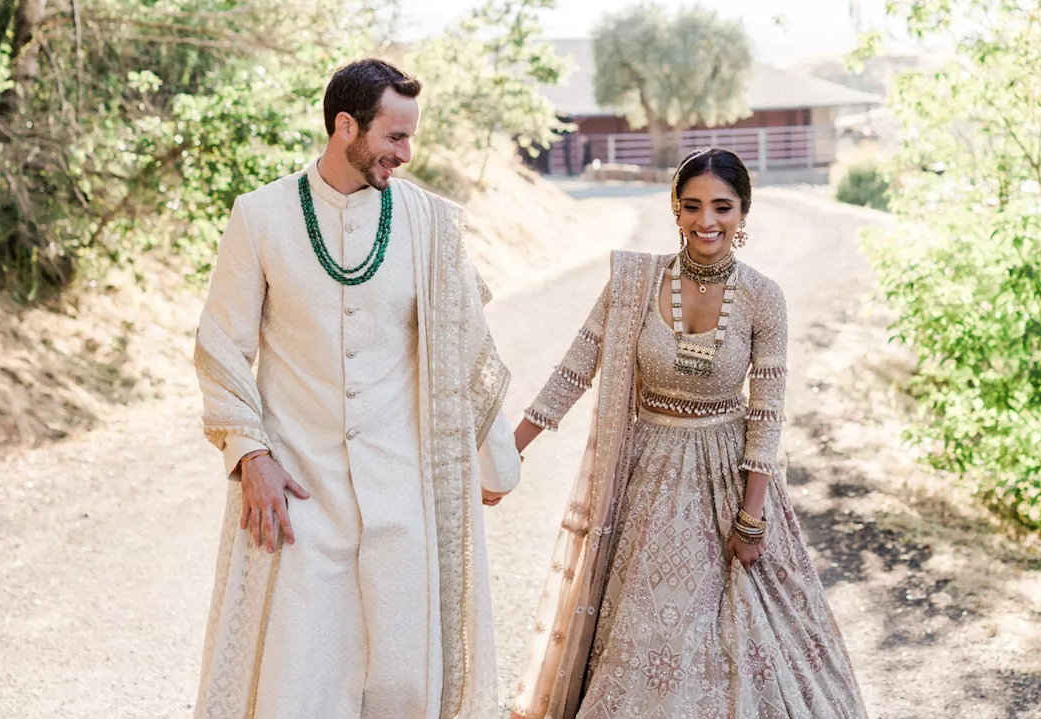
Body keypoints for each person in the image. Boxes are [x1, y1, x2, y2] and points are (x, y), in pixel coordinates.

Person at [191, 58, 520, 719]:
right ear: (347, 126)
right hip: (300, 493)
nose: (406, 152)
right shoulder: (260, 216)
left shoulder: (432, 224)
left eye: (410, 137)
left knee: (401, 686)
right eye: (395, 137)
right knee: (301, 680)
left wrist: (493, 464)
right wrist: (249, 456)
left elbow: (467, 350)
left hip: (404, 493)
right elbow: (221, 345)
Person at [508, 148, 869, 718]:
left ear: (744, 212)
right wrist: (511, 448)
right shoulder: (635, 283)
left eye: (722, 207)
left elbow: (767, 412)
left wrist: (752, 519)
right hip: (645, 482)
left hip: (727, 480)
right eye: (693, 206)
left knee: (726, 630)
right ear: (675, 211)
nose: (707, 221)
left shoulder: (762, 297)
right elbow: (578, 365)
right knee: (646, 626)